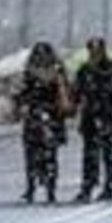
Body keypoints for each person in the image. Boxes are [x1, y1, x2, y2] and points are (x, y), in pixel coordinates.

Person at [72, 37, 112, 203]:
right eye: (91, 50)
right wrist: (71, 107)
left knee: (107, 153)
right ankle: (87, 187)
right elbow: (76, 94)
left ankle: (108, 187)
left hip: (109, 116)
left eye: (97, 49)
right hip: (90, 118)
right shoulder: (84, 70)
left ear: (103, 50)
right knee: (89, 154)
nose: (94, 53)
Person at [16, 42, 71, 204]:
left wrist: (23, 101)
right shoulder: (58, 71)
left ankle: (32, 187)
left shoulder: (29, 72)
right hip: (52, 118)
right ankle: (50, 189)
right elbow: (64, 93)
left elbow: (23, 94)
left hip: (36, 117)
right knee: (51, 156)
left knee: (31, 155)